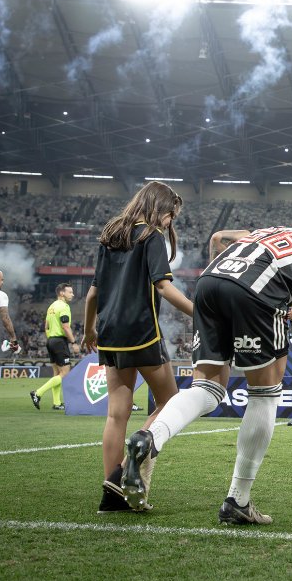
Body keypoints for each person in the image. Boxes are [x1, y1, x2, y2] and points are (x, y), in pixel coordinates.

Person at [120, 226, 292, 524]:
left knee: (207, 389)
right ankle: (238, 501)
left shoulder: (276, 233)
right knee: (265, 394)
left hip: (210, 281)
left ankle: (150, 436)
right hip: (256, 289)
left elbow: (218, 237)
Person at [80, 181, 194, 513]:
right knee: (170, 403)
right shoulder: (151, 236)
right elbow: (163, 287)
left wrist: (90, 331)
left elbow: (92, 294)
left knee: (117, 413)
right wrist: (201, 313)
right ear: (164, 210)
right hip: (141, 332)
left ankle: (112, 492)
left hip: (110, 332)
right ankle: (132, 461)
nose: (171, 222)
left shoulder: (111, 234)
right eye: (173, 216)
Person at [30, 283, 76, 411]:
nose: (72, 294)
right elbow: (65, 326)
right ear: (62, 293)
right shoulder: (64, 306)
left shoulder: (51, 307)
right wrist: (73, 342)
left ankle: (57, 403)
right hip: (60, 341)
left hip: (50, 340)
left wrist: (51, 339)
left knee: (57, 373)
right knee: (65, 374)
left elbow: (46, 327)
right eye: (70, 292)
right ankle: (38, 393)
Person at [0, 270, 20, 355]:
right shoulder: (1, 295)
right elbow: (5, 318)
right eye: (2, 280)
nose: (3, 283)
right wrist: (13, 338)